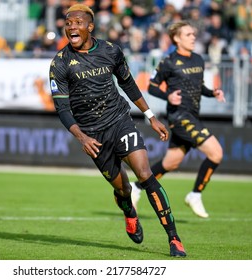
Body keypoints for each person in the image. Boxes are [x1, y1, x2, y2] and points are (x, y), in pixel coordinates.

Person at [49, 4, 186, 257]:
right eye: (68, 23)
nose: (71, 27)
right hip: (93, 135)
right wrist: (81, 137)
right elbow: (62, 108)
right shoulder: (60, 63)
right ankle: (129, 211)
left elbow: (128, 84)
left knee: (145, 174)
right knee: (123, 189)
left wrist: (151, 116)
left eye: (77, 22)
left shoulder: (111, 51)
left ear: (90, 27)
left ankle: (174, 239)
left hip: (119, 121)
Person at [130, 21, 226, 219]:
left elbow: (200, 87)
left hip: (193, 115)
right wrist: (169, 96)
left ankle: (136, 187)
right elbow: (152, 86)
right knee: (216, 153)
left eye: (193, 34)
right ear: (177, 38)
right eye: (188, 34)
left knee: (170, 163)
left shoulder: (198, 59)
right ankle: (195, 194)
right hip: (180, 117)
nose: (193, 38)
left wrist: (213, 92)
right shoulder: (169, 62)